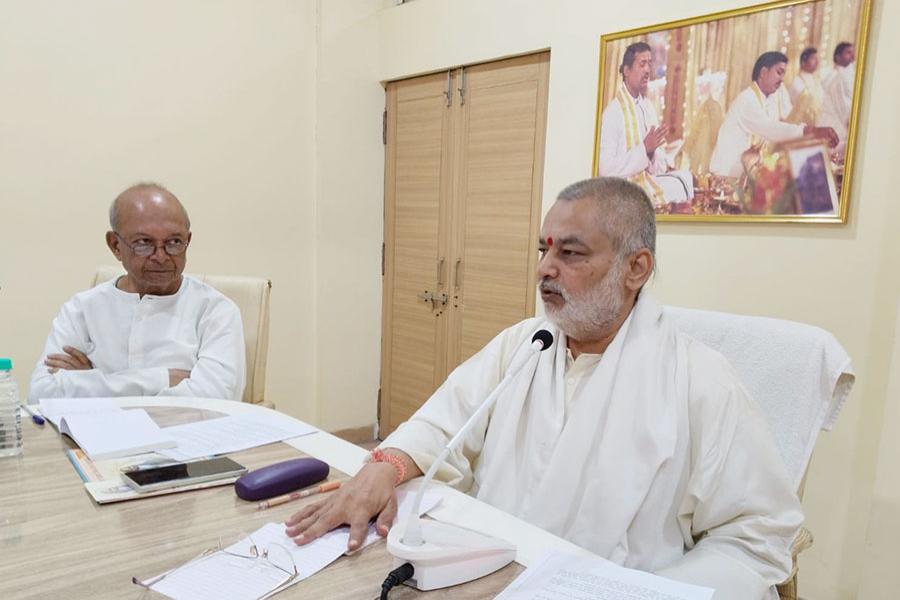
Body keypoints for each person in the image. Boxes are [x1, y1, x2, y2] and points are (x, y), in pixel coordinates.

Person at [285, 177, 802, 599]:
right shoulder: (525, 345)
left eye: (571, 254)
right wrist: (385, 467)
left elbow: (756, 538)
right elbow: (444, 421)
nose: (543, 270)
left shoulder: (699, 382)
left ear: (636, 268)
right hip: (483, 575)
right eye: (543, 248)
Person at [28, 183, 246, 402]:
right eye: (144, 243)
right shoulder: (82, 309)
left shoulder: (216, 311)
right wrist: (164, 379)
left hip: (180, 435)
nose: (161, 257)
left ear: (187, 242)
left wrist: (91, 381)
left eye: (174, 242)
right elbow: (41, 393)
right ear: (115, 245)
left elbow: (215, 400)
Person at [710, 51, 838, 178]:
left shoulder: (767, 100)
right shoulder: (747, 100)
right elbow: (772, 129)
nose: (782, 79)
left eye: (783, 74)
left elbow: (780, 128)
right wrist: (811, 131)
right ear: (763, 73)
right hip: (726, 175)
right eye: (779, 72)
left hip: (744, 169)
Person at [598, 42, 693, 206]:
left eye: (649, 63)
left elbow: (655, 156)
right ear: (626, 71)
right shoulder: (612, 113)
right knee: (679, 186)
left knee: (685, 177)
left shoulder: (647, 107)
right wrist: (644, 150)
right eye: (642, 64)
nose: (648, 70)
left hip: (646, 179)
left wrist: (662, 160)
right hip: (622, 189)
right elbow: (605, 170)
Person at [818, 42, 856, 153]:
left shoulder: (849, 74)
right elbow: (845, 110)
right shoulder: (837, 77)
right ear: (837, 57)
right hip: (836, 130)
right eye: (848, 52)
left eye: (853, 52)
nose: (853, 55)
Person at [787, 47, 824, 125]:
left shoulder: (817, 81)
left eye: (817, 59)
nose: (817, 62)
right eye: (813, 58)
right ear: (803, 62)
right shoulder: (797, 82)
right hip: (801, 125)